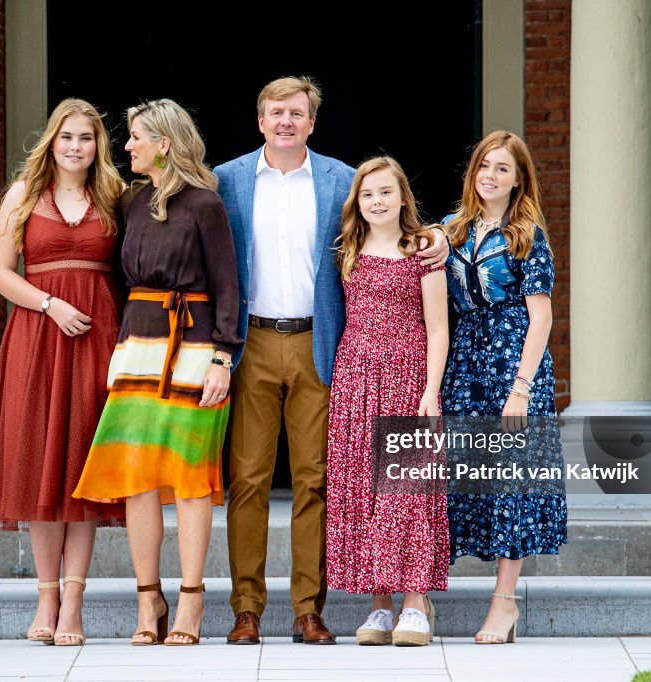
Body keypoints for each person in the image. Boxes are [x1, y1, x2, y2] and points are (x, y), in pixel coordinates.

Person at [215, 76, 449, 646]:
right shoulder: (228, 180)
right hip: (253, 340)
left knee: (315, 480)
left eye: (297, 113)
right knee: (246, 479)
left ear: (312, 122)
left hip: (323, 345)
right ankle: (247, 608)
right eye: (277, 112)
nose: (286, 121)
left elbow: (393, 223)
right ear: (260, 119)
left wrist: (440, 235)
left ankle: (307, 609)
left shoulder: (343, 179)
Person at [73, 99, 240, 647]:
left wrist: (222, 356)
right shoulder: (128, 200)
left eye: (137, 136)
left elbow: (227, 286)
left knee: (192, 480)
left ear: (164, 143)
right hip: (137, 348)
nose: (127, 146)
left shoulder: (205, 203)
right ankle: (150, 599)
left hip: (194, 351)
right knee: (137, 480)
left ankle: (191, 602)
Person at [0, 98, 126, 647]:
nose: (75, 147)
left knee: (81, 469)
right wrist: (48, 305)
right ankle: (45, 594)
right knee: (40, 463)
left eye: (86, 138)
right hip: (38, 339)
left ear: (98, 146)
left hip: (97, 339)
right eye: (67, 137)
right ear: (51, 140)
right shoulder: (22, 195)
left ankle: (74, 602)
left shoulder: (112, 196)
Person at [441, 130, 567, 644]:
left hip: (515, 361)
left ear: (519, 181)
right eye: (483, 166)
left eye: (502, 169)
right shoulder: (451, 230)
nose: (489, 175)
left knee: (513, 480)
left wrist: (521, 386)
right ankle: (421, 593)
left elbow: (542, 317)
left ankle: (505, 602)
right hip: (465, 361)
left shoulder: (526, 235)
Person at [326, 156, 450, 647]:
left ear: (403, 197)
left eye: (385, 192)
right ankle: (378, 604)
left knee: (407, 490)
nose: (376, 201)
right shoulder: (348, 249)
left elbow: (439, 328)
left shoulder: (423, 249)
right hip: (355, 378)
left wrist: (431, 389)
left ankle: (416, 602)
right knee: (362, 490)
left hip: (408, 376)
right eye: (367, 194)